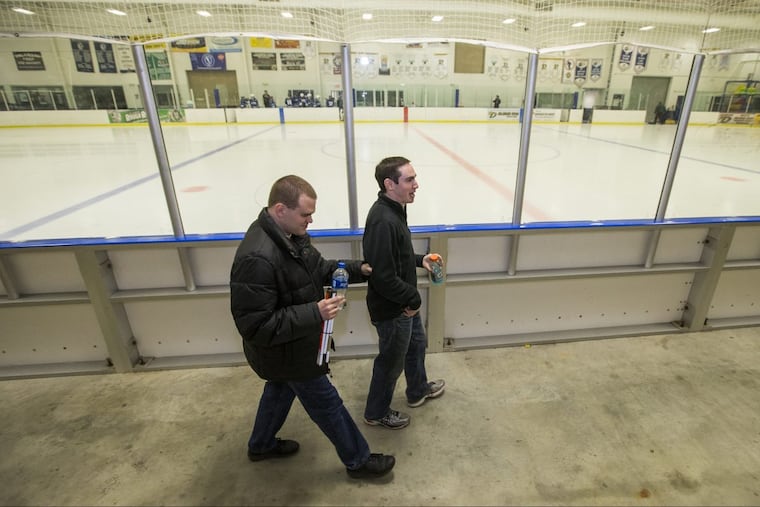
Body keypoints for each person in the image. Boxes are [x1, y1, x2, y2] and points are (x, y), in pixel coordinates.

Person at [230, 175, 395, 479]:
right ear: (280, 209)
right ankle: (358, 461)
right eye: (305, 214)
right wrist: (314, 312)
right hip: (287, 351)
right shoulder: (257, 257)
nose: (311, 219)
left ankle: (261, 444)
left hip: (293, 345)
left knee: (280, 390)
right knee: (327, 404)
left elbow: (319, 269)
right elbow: (254, 325)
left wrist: (360, 269)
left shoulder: (291, 237)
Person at [362, 156, 446, 430]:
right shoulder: (383, 221)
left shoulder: (395, 209)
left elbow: (396, 255)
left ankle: (417, 390)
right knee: (390, 363)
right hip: (393, 308)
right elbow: (383, 275)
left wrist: (419, 259)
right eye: (409, 179)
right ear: (390, 184)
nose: (416, 185)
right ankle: (376, 412)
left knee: (416, 346)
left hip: (404, 304)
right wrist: (413, 299)